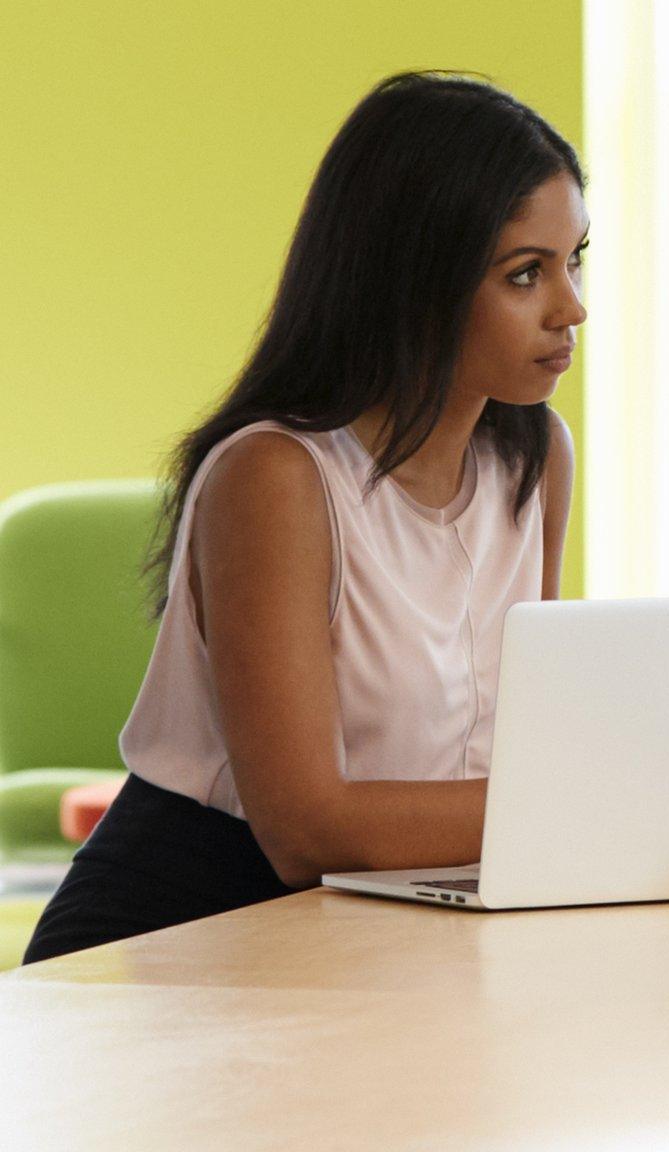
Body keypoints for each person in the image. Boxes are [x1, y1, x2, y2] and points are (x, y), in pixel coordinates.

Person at [24, 72, 587, 963]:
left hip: (385, 919)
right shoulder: (276, 477)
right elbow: (305, 830)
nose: (572, 308)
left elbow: (511, 745)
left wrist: (590, 793)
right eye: (526, 273)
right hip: (190, 929)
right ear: (414, 278)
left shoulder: (534, 455)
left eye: (575, 261)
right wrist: (588, 799)